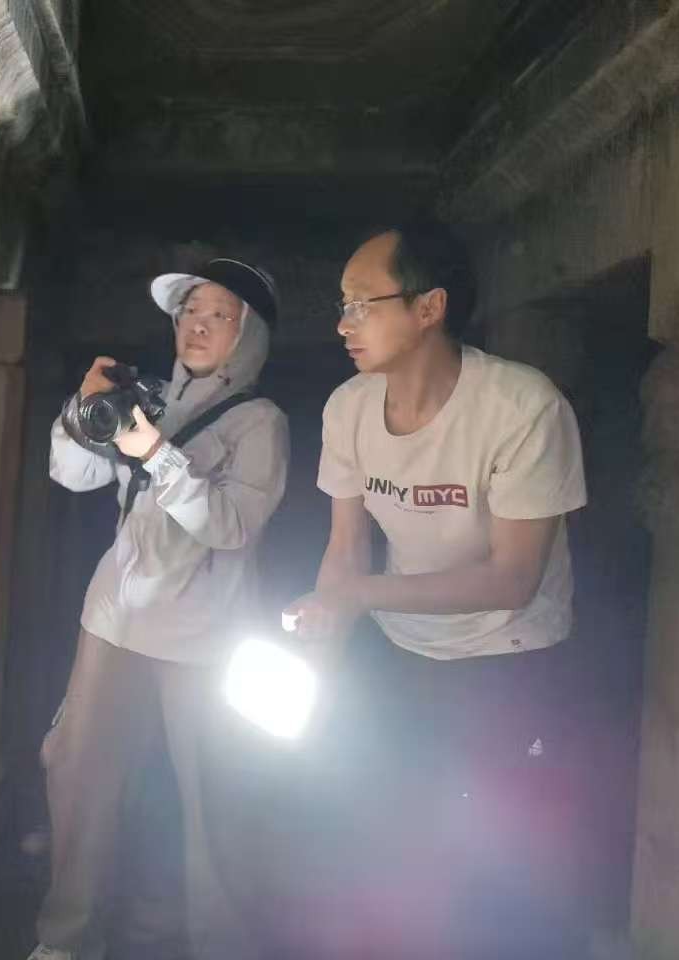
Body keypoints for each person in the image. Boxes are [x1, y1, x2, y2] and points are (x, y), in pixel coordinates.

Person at [283, 223, 588, 956]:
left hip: (512, 658)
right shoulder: (348, 408)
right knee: (396, 845)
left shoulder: (522, 407)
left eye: (363, 304)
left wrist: (358, 597)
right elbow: (345, 552)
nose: (344, 324)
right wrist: (312, 679)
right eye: (343, 305)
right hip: (405, 649)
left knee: (504, 859)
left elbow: (513, 579)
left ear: (429, 307)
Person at [28, 259, 289, 960]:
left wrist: (158, 454)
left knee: (216, 797)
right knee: (77, 774)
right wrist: (85, 408)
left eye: (218, 315)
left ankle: (224, 946)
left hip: (205, 634)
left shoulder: (260, 422)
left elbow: (233, 526)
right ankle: (66, 939)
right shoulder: (150, 402)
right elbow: (72, 473)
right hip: (115, 617)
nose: (197, 326)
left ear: (250, 334)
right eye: (188, 313)